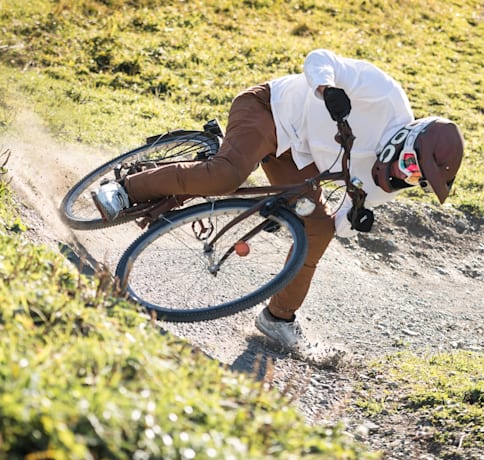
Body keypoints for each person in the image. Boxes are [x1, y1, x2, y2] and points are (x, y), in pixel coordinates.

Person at [94, 49, 464, 359]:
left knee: (317, 229)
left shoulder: (389, 181)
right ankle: (125, 189)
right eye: (412, 164)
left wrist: (325, 217)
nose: (407, 175)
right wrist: (327, 87)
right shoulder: (384, 95)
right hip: (269, 110)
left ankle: (278, 318)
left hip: (298, 160)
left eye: (419, 178)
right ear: (408, 137)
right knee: (225, 177)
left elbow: (340, 218)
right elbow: (320, 58)